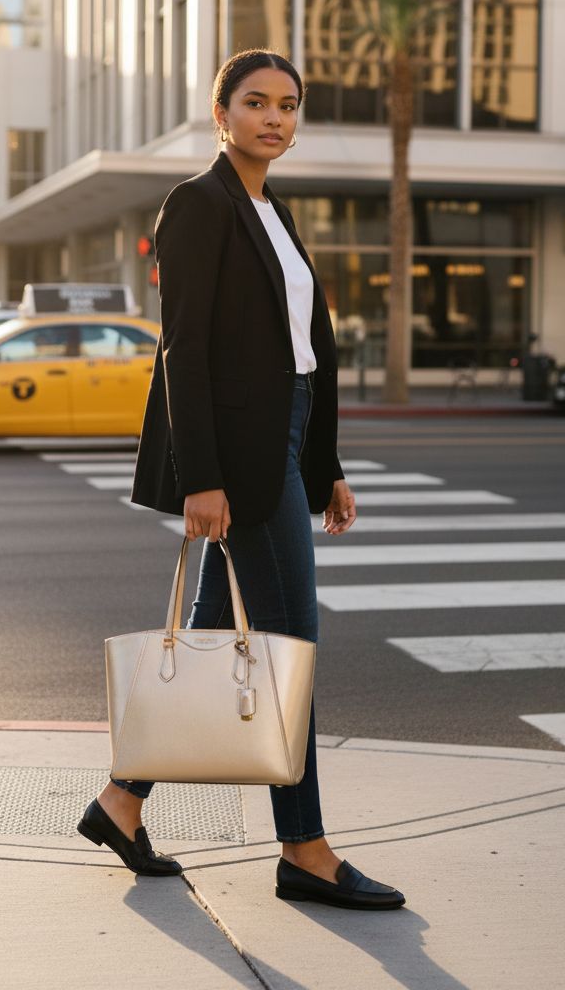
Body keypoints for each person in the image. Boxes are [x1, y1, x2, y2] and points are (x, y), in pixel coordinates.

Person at [78, 49, 406, 911]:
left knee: (212, 632)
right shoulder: (199, 204)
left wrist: (323, 464)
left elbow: (302, 360)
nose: (275, 118)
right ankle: (305, 850)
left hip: (284, 446)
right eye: (256, 103)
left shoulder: (271, 211)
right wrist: (205, 478)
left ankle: (121, 802)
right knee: (290, 649)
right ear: (221, 113)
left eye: (289, 105)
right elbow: (182, 349)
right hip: (241, 461)